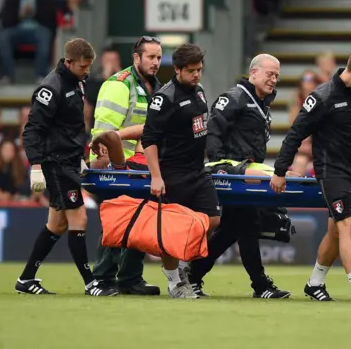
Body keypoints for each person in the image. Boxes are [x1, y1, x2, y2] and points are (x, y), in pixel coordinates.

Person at [270, 48, 351, 304]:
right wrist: (280, 170)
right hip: (331, 171)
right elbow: (295, 134)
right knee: (348, 225)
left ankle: (314, 284)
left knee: (335, 231)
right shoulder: (322, 97)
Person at [16, 38, 118, 297]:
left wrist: (81, 156)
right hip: (55, 163)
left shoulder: (76, 82)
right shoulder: (50, 88)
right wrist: (36, 166)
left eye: (89, 66)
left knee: (57, 224)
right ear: (69, 62)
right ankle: (90, 282)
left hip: (68, 160)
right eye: (83, 66)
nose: (87, 71)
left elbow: (71, 127)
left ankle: (26, 279)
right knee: (79, 218)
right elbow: (32, 130)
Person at [187, 54, 293, 299]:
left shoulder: (261, 101)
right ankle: (260, 285)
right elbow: (213, 130)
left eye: (277, 75)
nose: (274, 79)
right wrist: (219, 165)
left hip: (245, 172)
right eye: (269, 74)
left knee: (233, 229)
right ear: (253, 73)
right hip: (233, 174)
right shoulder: (235, 97)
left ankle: (193, 275)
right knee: (245, 225)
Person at [141, 43, 221, 299]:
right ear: (177, 70)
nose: (197, 75)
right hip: (172, 172)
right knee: (170, 231)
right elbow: (149, 139)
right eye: (191, 71)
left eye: (199, 70)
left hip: (198, 171)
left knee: (214, 220)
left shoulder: (199, 92)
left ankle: (184, 267)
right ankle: (175, 282)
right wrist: (156, 176)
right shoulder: (164, 98)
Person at [87, 36, 163, 296]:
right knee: (120, 218)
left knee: (141, 218)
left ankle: (130, 278)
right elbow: (104, 135)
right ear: (136, 58)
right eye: (151, 57)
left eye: (159, 58)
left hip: (141, 165)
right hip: (113, 164)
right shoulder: (119, 85)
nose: (155, 63)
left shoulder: (157, 87)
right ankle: (101, 279)